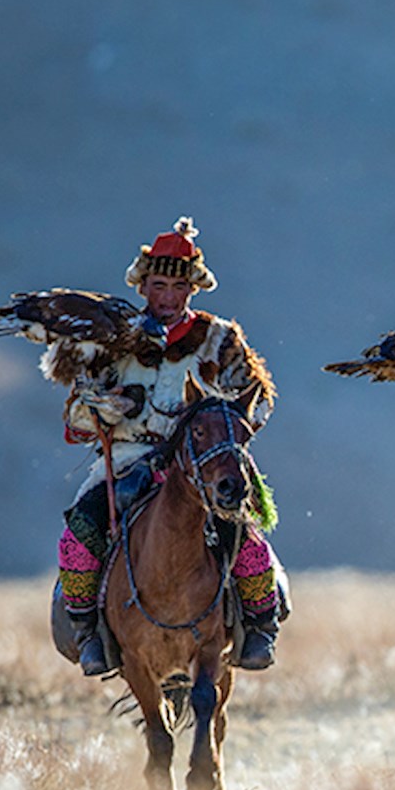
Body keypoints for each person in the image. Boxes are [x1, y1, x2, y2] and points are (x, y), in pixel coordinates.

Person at [56, 217, 282, 675]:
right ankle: (88, 633)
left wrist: (224, 428)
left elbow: (257, 402)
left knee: (247, 539)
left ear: (192, 289)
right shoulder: (113, 339)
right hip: (125, 460)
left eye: (177, 287)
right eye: (158, 284)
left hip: (203, 461)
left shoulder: (220, 340)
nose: (167, 297)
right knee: (81, 533)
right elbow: (75, 415)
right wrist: (105, 409)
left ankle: (259, 627)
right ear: (143, 286)